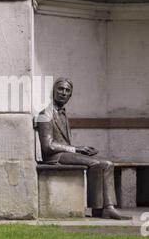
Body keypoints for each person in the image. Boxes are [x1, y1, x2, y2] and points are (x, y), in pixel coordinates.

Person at [36, 77, 131, 220]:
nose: (63, 92)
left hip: (64, 153)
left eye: (67, 90)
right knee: (95, 163)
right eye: (60, 89)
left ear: (70, 95)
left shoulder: (64, 114)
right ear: (53, 91)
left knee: (107, 163)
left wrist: (79, 149)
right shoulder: (44, 114)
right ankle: (97, 208)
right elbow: (47, 145)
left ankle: (107, 207)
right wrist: (76, 149)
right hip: (54, 157)